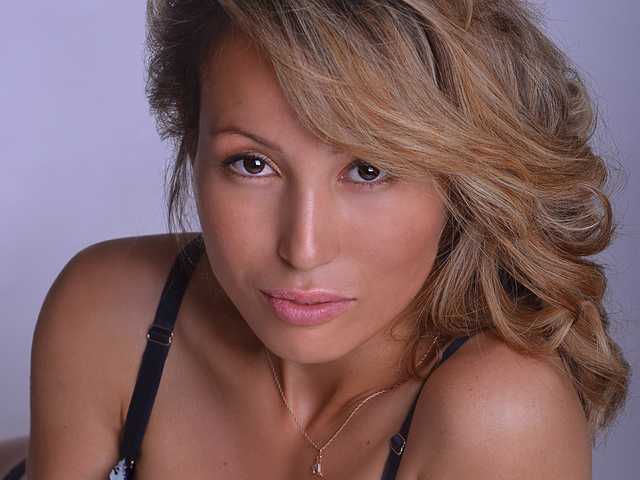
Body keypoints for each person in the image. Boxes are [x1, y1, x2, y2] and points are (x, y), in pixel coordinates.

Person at [8, 0, 630, 479]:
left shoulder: (497, 415)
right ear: (191, 145)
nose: (302, 249)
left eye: (368, 170)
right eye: (252, 164)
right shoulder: (113, 313)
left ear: (463, 178)